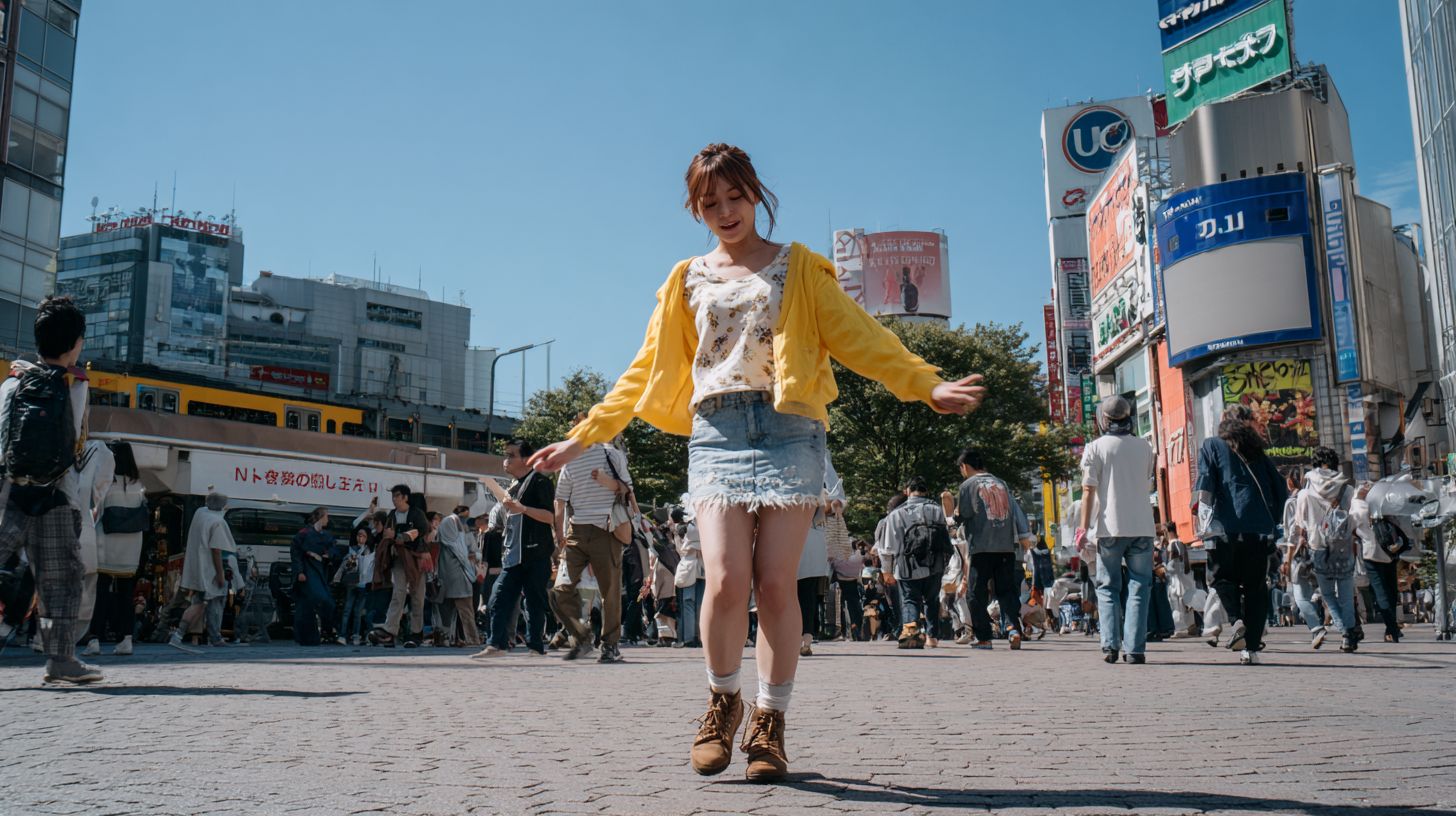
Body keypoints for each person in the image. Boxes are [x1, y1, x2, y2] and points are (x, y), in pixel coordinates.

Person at [526, 143, 984, 782]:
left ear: (755, 194)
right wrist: (583, 436)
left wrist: (922, 383)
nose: (724, 211)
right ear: (696, 209)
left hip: (790, 430)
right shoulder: (687, 278)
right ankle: (722, 701)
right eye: (709, 203)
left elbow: (859, 336)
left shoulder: (797, 268)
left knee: (775, 584)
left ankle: (770, 721)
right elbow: (643, 371)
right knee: (722, 579)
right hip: (716, 430)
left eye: (734, 197)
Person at [0, 296, 102, 683]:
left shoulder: (12, 381)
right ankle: (60, 660)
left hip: (8, 489)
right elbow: (75, 440)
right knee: (60, 582)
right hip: (56, 494)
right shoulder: (75, 385)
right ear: (76, 343)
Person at [1195, 404, 1287, 665]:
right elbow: (1280, 488)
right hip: (1258, 530)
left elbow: (1205, 484)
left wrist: (1203, 523)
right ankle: (1252, 649)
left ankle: (1235, 619)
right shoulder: (1259, 453)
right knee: (1256, 587)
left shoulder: (1212, 445)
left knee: (1222, 578)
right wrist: (1274, 522)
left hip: (1224, 528)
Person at [1076, 395, 1156, 665]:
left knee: (1108, 587)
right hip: (1143, 526)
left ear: (1104, 419)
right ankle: (1135, 649)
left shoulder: (1095, 448)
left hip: (1109, 527)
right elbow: (1147, 484)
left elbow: (1088, 490)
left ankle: (1110, 646)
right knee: (1139, 586)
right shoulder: (1145, 447)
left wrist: (1082, 528)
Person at [551, 428, 631, 663]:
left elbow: (628, 489)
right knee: (559, 590)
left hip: (607, 529)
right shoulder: (568, 462)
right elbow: (560, 500)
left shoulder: (611, 455)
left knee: (610, 592)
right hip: (575, 532)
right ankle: (581, 636)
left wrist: (610, 483)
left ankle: (610, 645)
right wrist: (559, 534)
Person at [475, 439, 556, 658]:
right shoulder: (512, 487)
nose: (506, 460)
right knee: (497, 598)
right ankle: (496, 644)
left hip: (536, 552)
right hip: (512, 554)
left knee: (534, 602)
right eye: (505, 455)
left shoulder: (540, 482)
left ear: (526, 459)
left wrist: (522, 508)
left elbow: (550, 516)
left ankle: (535, 646)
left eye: (511, 455)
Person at [949, 448, 1029, 650]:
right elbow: (1016, 511)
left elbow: (965, 513)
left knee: (975, 593)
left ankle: (984, 637)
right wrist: (1024, 536)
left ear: (965, 466)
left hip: (981, 547)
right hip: (1006, 547)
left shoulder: (967, 485)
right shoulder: (1001, 483)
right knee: (1006, 591)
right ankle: (1012, 628)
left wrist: (955, 516)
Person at [1289, 447, 1362, 653]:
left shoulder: (1304, 494)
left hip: (1319, 549)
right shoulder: (1346, 490)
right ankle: (1348, 633)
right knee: (1346, 595)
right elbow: (1353, 519)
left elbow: (1299, 525)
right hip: (1343, 548)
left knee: (1328, 595)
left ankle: (1345, 631)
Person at [879, 476, 950, 649]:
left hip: (907, 565)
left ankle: (910, 628)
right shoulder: (937, 510)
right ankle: (932, 637)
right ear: (926, 491)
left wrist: (886, 570)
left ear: (908, 491)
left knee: (910, 599)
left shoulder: (897, 513)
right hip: (935, 564)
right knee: (932, 599)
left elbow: (888, 546)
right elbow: (945, 538)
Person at [91, 440, 148, 655]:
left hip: (106, 543)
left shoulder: (107, 482)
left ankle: (94, 640)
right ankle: (126, 639)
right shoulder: (138, 484)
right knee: (126, 596)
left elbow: (96, 511)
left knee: (101, 594)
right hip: (131, 547)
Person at [170, 491, 239, 650]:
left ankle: (210, 637)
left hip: (196, 566)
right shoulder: (217, 522)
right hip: (209, 570)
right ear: (224, 506)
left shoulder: (199, 513)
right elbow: (216, 550)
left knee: (200, 602)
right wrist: (220, 574)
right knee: (207, 603)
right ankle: (180, 635)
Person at [368, 485, 431, 648]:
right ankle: (390, 631)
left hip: (416, 559)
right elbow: (387, 535)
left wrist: (400, 536)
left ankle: (416, 634)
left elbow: (422, 530)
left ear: (405, 497)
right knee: (398, 593)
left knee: (417, 596)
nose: (394, 499)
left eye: (397, 496)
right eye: (393, 496)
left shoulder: (417, 514)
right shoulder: (392, 515)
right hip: (399, 559)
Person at [74, 439, 114, 656]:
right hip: (90, 538)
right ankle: (87, 636)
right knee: (88, 590)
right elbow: (98, 495)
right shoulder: (99, 452)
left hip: (73, 531)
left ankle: (44, 638)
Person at [436, 505, 482, 647]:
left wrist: (474, 556)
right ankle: (451, 639)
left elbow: (475, 551)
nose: (465, 520)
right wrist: (469, 562)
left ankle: (468, 639)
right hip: (454, 575)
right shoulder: (449, 525)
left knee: (464, 610)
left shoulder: (464, 531)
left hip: (461, 576)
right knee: (451, 610)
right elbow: (459, 551)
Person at [291, 507, 336, 646]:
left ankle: (311, 637)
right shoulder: (304, 533)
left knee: (309, 605)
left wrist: (329, 554)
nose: (328, 519)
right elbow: (296, 552)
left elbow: (333, 548)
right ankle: (310, 636)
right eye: (326, 516)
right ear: (321, 517)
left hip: (319, 571)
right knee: (316, 601)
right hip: (307, 571)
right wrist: (299, 571)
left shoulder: (326, 535)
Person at [675, 508, 706, 649]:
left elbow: (680, 548)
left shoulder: (684, 528)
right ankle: (698, 637)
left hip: (689, 566)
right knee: (699, 604)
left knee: (689, 602)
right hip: (702, 567)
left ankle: (689, 638)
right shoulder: (703, 525)